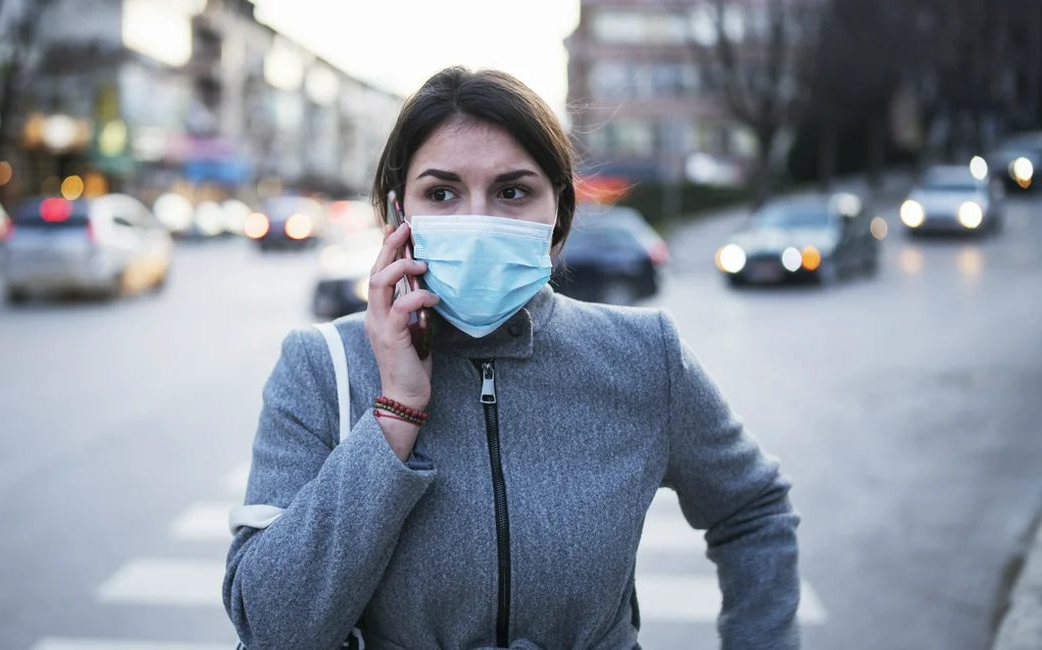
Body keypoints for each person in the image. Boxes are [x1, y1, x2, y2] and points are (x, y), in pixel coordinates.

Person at [223, 66, 802, 650]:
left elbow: (753, 510)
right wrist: (395, 414)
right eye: (442, 194)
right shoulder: (320, 367)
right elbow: (271, 628)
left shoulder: (643, 354)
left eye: (513, 192)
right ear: (399, 215)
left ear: (559, 211)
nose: (478, 222)